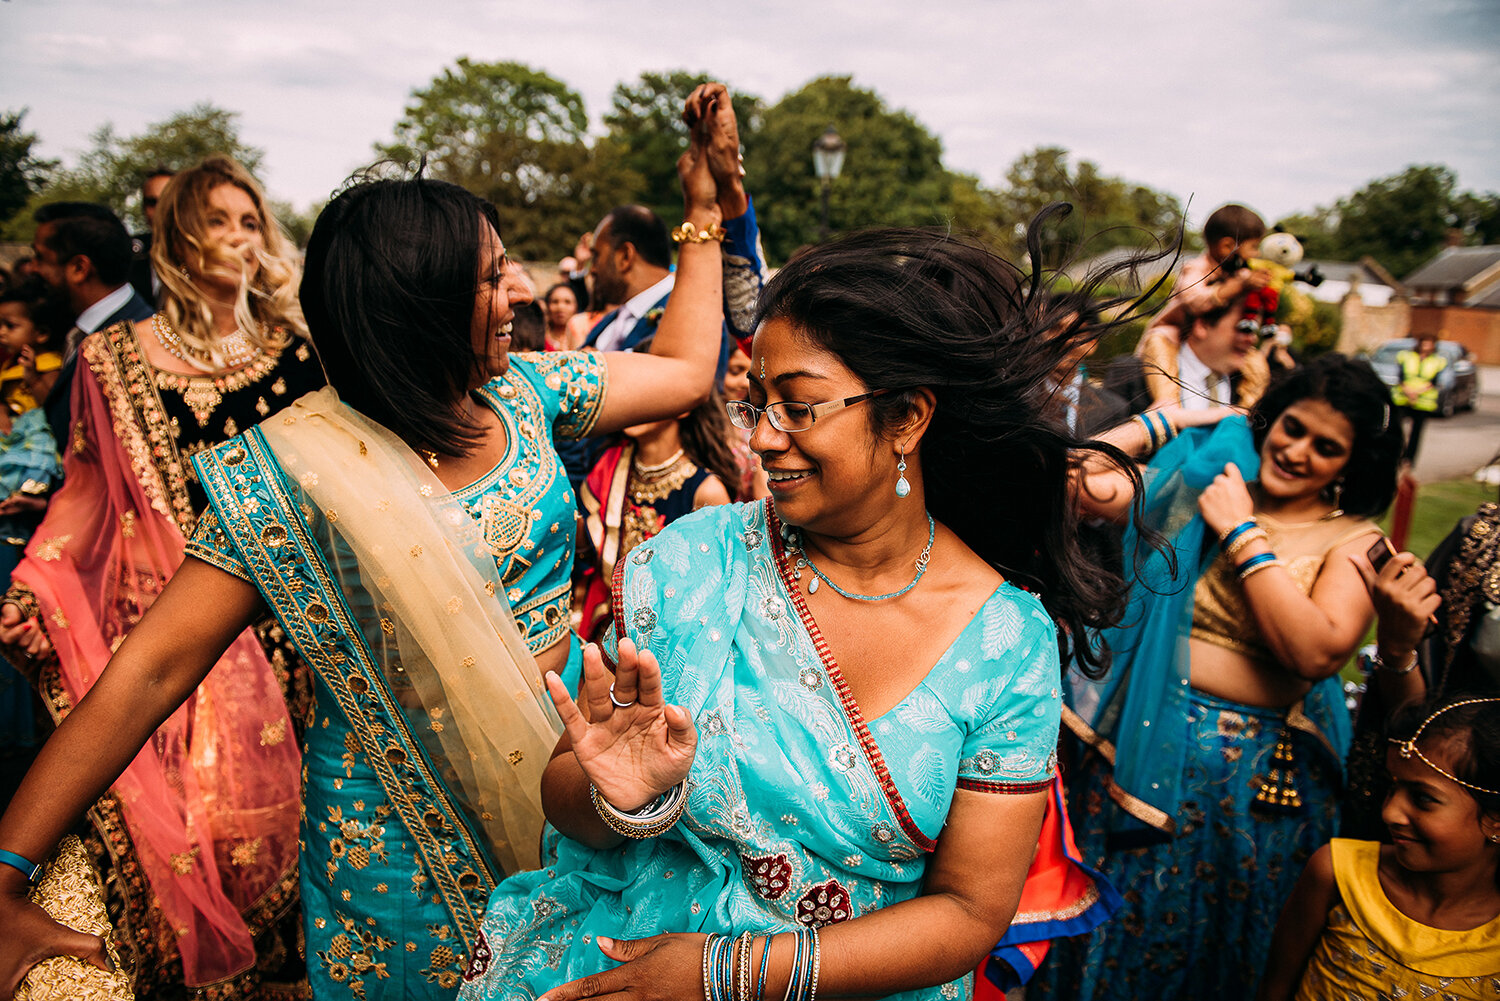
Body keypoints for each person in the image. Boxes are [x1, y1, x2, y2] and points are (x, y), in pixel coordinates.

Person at [0, 90, 734, 1001]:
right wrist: (4, 873)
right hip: (398, 848)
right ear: (413, 307)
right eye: (488, 279)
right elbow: (149, 670)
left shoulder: (525, 393)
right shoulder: (295, 476)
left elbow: (684, 371)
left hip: (589, 786)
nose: (515, 296)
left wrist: (707, 211)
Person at [458, 220, 1135, 1001]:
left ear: (909, 416)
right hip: (624, 962)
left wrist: (726, 973)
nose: (765, 440)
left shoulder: (1007, 640)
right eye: (756, 405)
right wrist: (622, 793)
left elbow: (970, 911)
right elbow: (568, 798)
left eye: (800, 407)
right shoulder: (690, 563)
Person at [0, 154, 325, 999]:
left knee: (287, 842)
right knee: (189, 837)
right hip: (170, 638)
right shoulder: (114, 360)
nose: (240, 239)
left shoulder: (300, 355)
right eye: (219, 220)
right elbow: (83, 498)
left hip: (294, 644)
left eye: (252, 221)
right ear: (178, 234)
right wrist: (35, 586)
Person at [1040, 353, 1404, 1000]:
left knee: (1213, 952)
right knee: (1112, 932)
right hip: (1136, 754)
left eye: (1327, 447)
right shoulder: (1201, 486)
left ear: (1352, 464)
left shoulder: (1351, 538)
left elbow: (1316, 651)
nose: (1298, 452)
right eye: (1292, 427)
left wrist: (1240, 530)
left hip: (1249, 793)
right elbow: (1069, 478)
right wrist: (1175, 417)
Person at [1258, 696, 1500, 1000]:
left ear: (1496, 821)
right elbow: (1274, 989)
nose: (1389, 813)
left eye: (1423, 798)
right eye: (1391, 788)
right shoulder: (1337, 874)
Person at [576, 388, 739, 641]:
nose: (637, 403)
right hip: (606, 626)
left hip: (670, 641)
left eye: (649, 394)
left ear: (685, 405)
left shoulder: (706, 491)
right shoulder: (608, 465)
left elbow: (715, 591)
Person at [28, 202, 156, 448]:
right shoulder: (77, 332)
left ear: (79, 268)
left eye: (40, 258)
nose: (33, 268)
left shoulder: (137, 346)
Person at [1136, 203, 1272, 410]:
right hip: (1174, 333)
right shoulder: (1197, 268)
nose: (1257, 254)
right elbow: (1194, 299)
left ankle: (1242, 417)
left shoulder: (1239, 273)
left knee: (1257, 364)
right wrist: (1233, 288)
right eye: (1253, 247)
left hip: (1205, 341)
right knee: (1158, 343)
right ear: (1227, 246)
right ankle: (1169, 407)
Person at [1393, 331, 1448, 466]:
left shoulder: (1437, 361)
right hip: (1403, 398)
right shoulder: (1406, 356)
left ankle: (1409, 459)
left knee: (1416, 433)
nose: (1427, 347)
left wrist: (1417, 393)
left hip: (1423, 402)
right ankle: (1396, 454)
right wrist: (1408, 391)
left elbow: (1434, 381)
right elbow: (1400, 377)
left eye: (1430, 344)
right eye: (1425, 343)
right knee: (1396, 429)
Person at [128, 165, 175, 305]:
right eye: (152, 203)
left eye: (167, 201)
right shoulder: (128, 255)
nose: (160, 210)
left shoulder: (209, 256)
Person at [543, 282, 580, 351]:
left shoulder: (584, 337)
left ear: (576, 307)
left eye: (567, 302)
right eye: (555, 302)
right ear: (547, 306)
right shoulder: (540, 339)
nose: (560, 307)